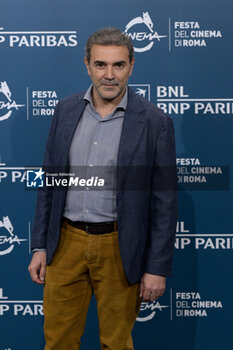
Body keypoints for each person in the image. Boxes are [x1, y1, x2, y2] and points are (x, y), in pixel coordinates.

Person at [28, 27, 177, 350]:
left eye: (118, 65)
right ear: (87, 65)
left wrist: (156, 267)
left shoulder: (155, 122)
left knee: (115, 343)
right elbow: (48, 184)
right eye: (100, 65)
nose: (109, 75)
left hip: (120, 248)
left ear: (131, 66)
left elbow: (164, 202)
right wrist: (39, 245)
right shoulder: (65, 111)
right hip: (65, 245)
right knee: (58, 342)